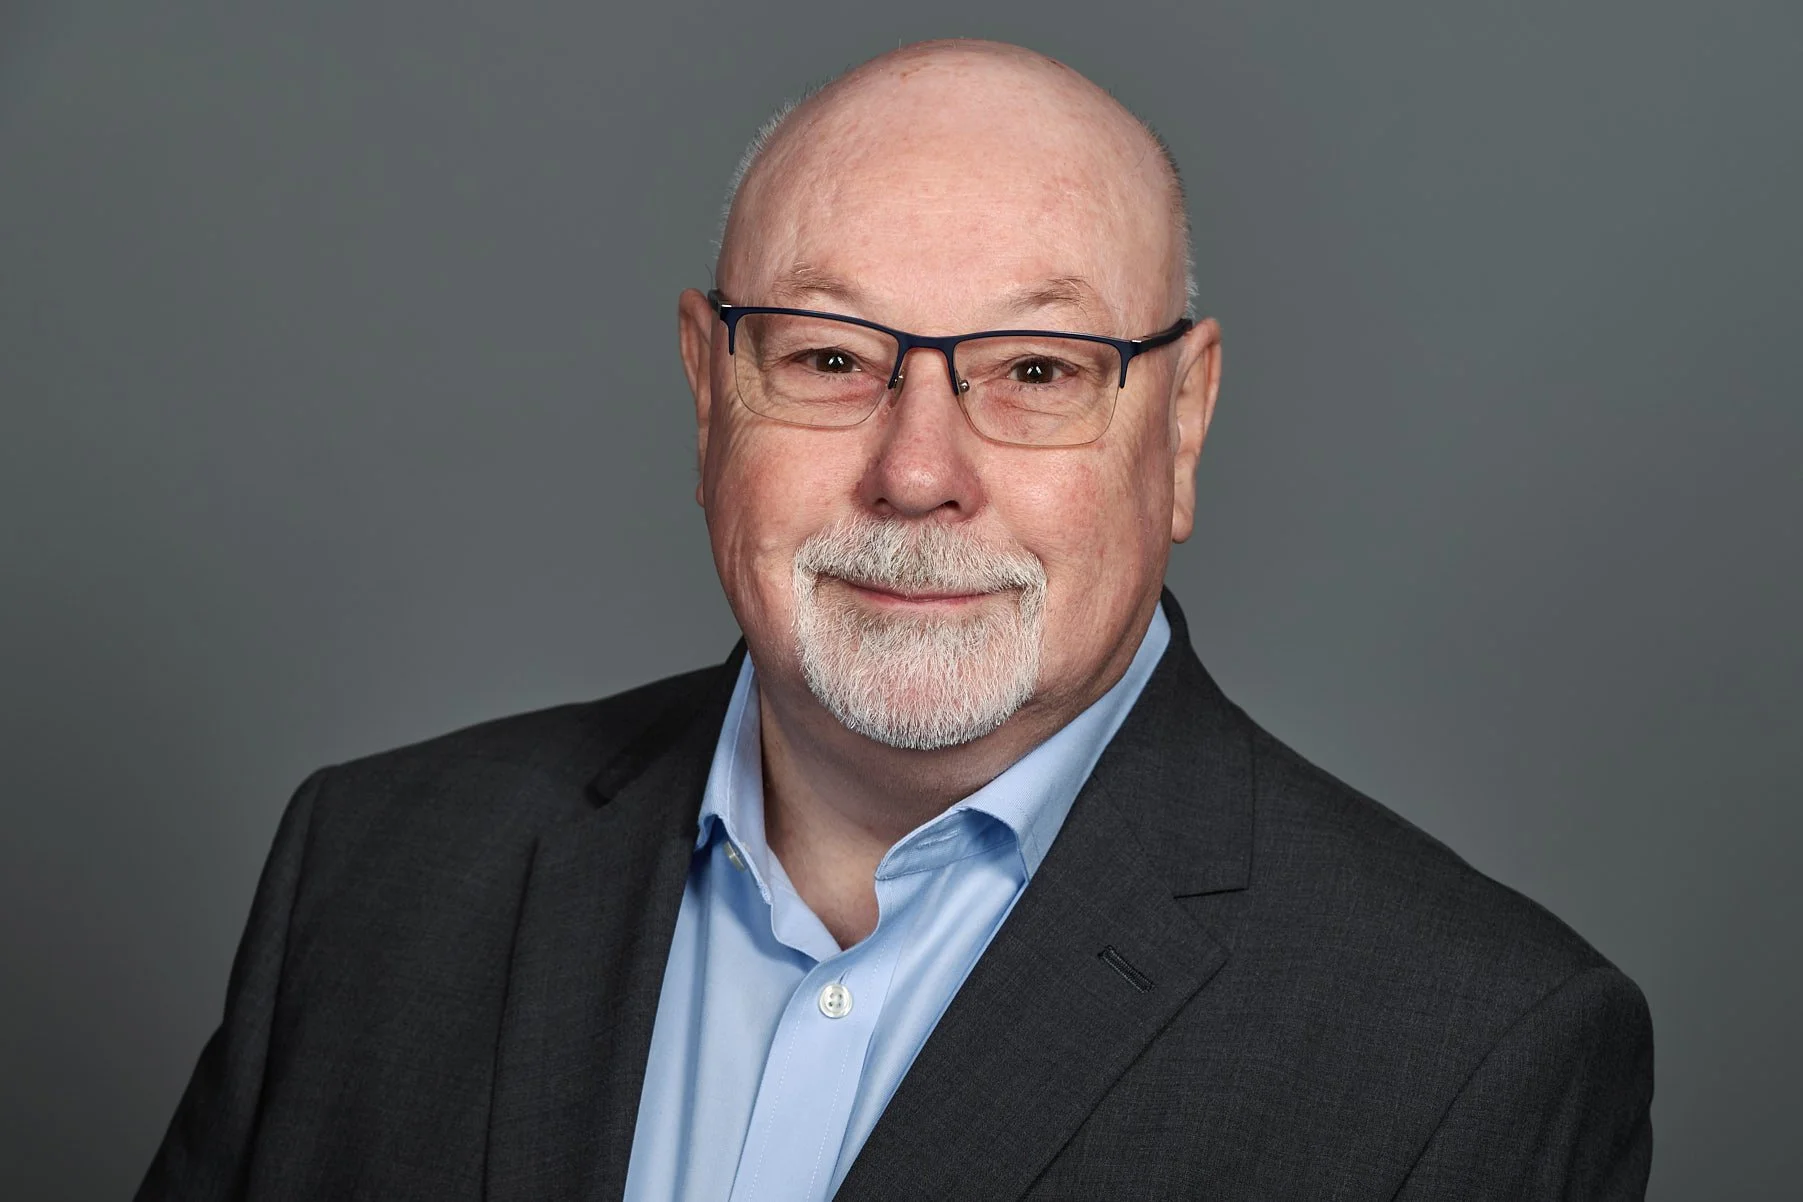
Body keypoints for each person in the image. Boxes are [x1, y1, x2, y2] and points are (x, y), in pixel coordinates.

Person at [136, 38, 1654, 1202]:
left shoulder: (1468, 1051)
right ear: (705, 387)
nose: (918, 468)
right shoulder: (377, 875)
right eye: (826, 357)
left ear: (1179, 424)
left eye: (1038, 372)